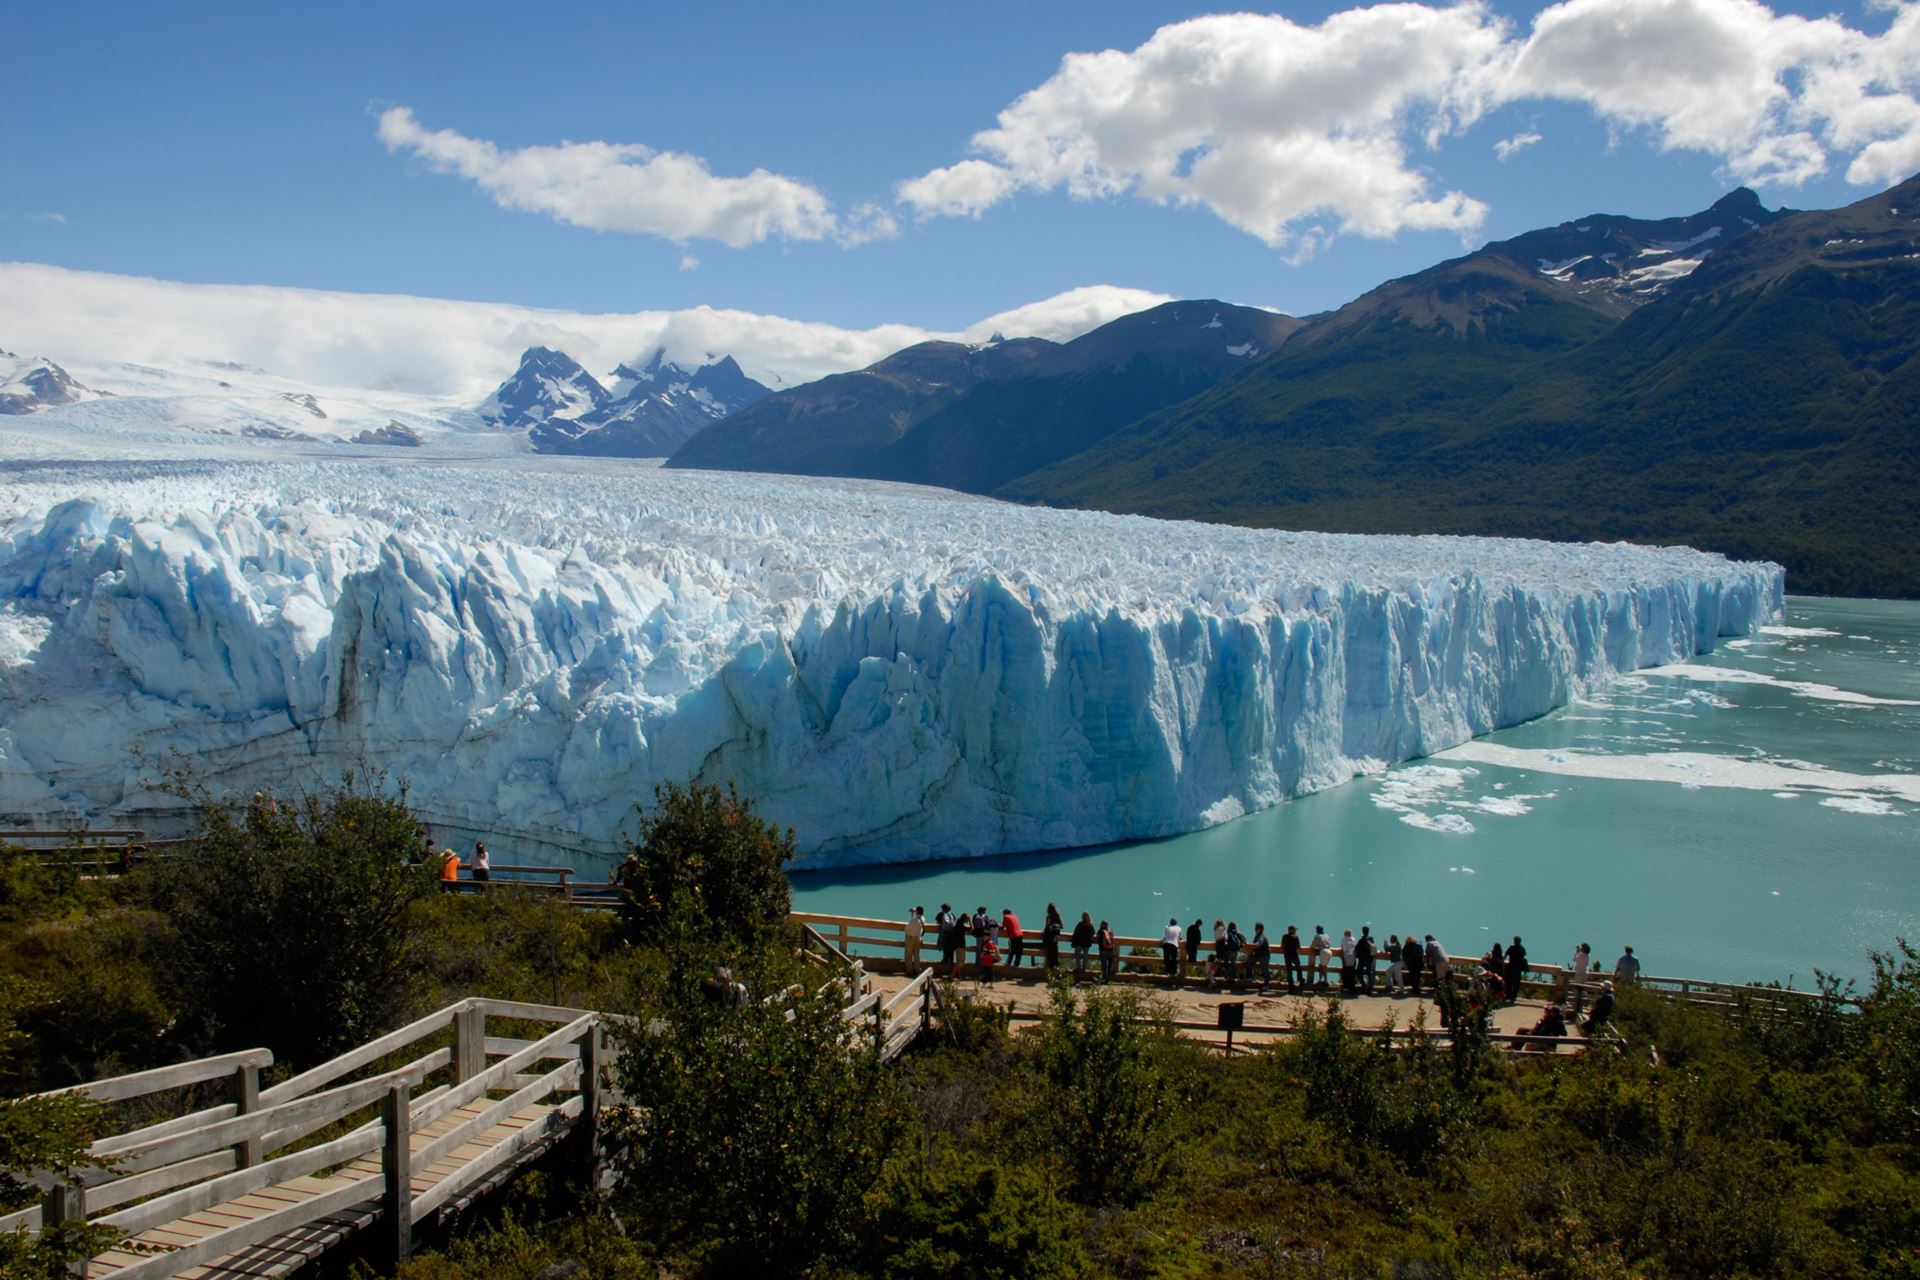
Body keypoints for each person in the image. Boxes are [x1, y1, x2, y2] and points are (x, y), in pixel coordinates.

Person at [935, 904, 960, 976]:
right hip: (952, 935)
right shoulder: (952, 914)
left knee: (945, 952)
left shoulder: (941, 914)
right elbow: (955, 921)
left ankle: (943, 971)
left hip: (944, 934)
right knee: (951, 953)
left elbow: (938, 921)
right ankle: (951, 971)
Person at [1071, 912, 1096, 976]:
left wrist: (1073, 942)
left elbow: (1075, 933)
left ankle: (1078, 968)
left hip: (1079, 942)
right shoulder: (1090, 925)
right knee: (1085, 956)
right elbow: (1093, 933)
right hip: (1086, 943)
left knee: (1078, 956)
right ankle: (1083, 968)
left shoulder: (1080, 924)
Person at [1282, 925, 1304, 992]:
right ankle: (1300, 979)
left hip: (1287, 955)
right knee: (1298, 968)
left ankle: (1291, 987)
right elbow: (1299, 947)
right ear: (1293, 930)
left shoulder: (1284, 936)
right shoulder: (1296, 937)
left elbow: (1282, 945)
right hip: (1294, 955)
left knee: (1289, 971)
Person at [1505, 935, 1527, 1003]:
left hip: (1511, 967)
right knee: (1516, 983)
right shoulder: (1522, 948)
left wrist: (1502, 962)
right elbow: (1524, 955)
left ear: (1514, 941)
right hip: (1518, 968)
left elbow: (1505, 955)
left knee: (1508, 981)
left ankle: (1509, 995)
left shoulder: (1511, 947)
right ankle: (1514, 996)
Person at [1250, 922, 1272, 991]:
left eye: (1256, 928)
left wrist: (1251, 945)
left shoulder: (1262, 936)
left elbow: (1258, 944)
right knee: (1249, 960)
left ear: (1260, 929)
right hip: (1258, 955)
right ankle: (1250, 977)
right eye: (1255, 928)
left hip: (1264, 955)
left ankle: (1266, 985)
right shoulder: (1256, 936)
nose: (1255, 929)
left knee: (1265, 969)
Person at [1222, 921, 1244, 988]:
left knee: (1226, 963)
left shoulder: (1228, 933)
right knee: (1233, 964)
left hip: (1229, 951)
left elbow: (1225, 940)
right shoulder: (1236, 933)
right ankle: (1232, 978)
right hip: (1235, 952)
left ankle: (1228, 977)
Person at [1310, 925, 1332, 990]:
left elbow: (1313, 946)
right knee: (1323, 966)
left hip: (1323, 951)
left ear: (1317, 930)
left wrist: (1315, 947)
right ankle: (1324, 980)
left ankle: (1323, 981)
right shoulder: (1327, 935)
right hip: (1329, 951)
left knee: (1321, 967)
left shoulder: (1317, 936)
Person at [1356, 926, 1377, 995]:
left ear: (1362, 931)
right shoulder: (1371, 939)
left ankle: (1364, 986)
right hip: (1370, 958)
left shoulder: (1361, 940)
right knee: (1369, 973)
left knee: (1359, 972)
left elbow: (1356, 948)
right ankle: (1369, 989)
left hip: (1362, 959)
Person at [1208, 919, 1228, 990]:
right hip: (1222, 946)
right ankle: (1213, 976)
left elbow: (1215, 938)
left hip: (1217, 946)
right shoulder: (1223, 929)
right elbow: (1226, 938)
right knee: (1221, 962)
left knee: (1217, 961)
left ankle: (1212, 976)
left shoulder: (1215, 929)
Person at [1161, 917, 1182, 982]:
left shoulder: (1166, 927)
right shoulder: (1179, 928)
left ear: (1170, 923)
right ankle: (1173, 973)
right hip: (1174, 944)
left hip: (1166, 944)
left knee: (1166, 958)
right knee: (1174, 959)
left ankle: (1168, 972)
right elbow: (1179, 938)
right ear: (1176, 923)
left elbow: (1166, 935)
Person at [1043, 904, 1064, 970]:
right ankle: (1055, 965)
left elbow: (1047, 925)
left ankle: (1051, 965)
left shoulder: (1049, 916)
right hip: (1056, 936)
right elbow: (1062, 926)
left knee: (1049, 950)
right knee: (1055, 949)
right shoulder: (1058, 916)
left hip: (1050, 936)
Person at [1403, 932, 1424, 996]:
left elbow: (1404, 953)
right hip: (1419, 962)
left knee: (1412, 975)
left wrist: (1406, 961)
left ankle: (1415, 989)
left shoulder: (1407, 945)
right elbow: (1422, 953)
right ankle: (1417, 989)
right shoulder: (1417, 944)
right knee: (1417, 975)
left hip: (1412, 963)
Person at [904, 906, 925, 971]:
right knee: (916, 955)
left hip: (911, 938)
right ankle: (917, 969)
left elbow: (907, 929)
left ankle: (909, 970)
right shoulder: (923, 919)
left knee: (909, 954)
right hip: (918, 938)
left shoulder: (913, 920)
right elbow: (916, 921)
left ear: (917, 912)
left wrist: (913, 912)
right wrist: (913, 913)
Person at [1338, 928, 1357, 995]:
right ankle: (1352, 987)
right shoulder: (1353, 939)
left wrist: (1340, 956)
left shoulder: (1343, 939)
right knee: (1352, 972)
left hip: (1345, 957)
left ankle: (1345, 986)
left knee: (1345, 972)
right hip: (1353, 957)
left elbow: (1342, 949)